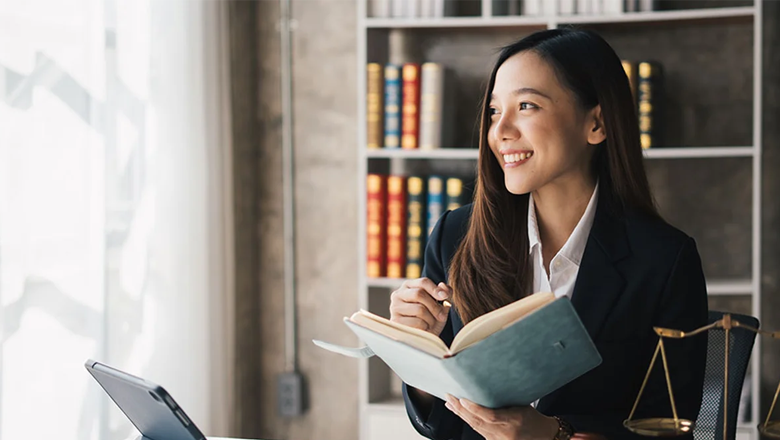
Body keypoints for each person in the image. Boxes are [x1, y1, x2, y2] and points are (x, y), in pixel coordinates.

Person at [390, 28, 708, 440]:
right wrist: (417, 353)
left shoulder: (665, 261)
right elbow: (444, 426)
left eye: (525, 106)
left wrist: (553, 435)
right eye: (492, 111)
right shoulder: (456, 234)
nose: (500, 131)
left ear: (596, 123)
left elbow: (670, 430)